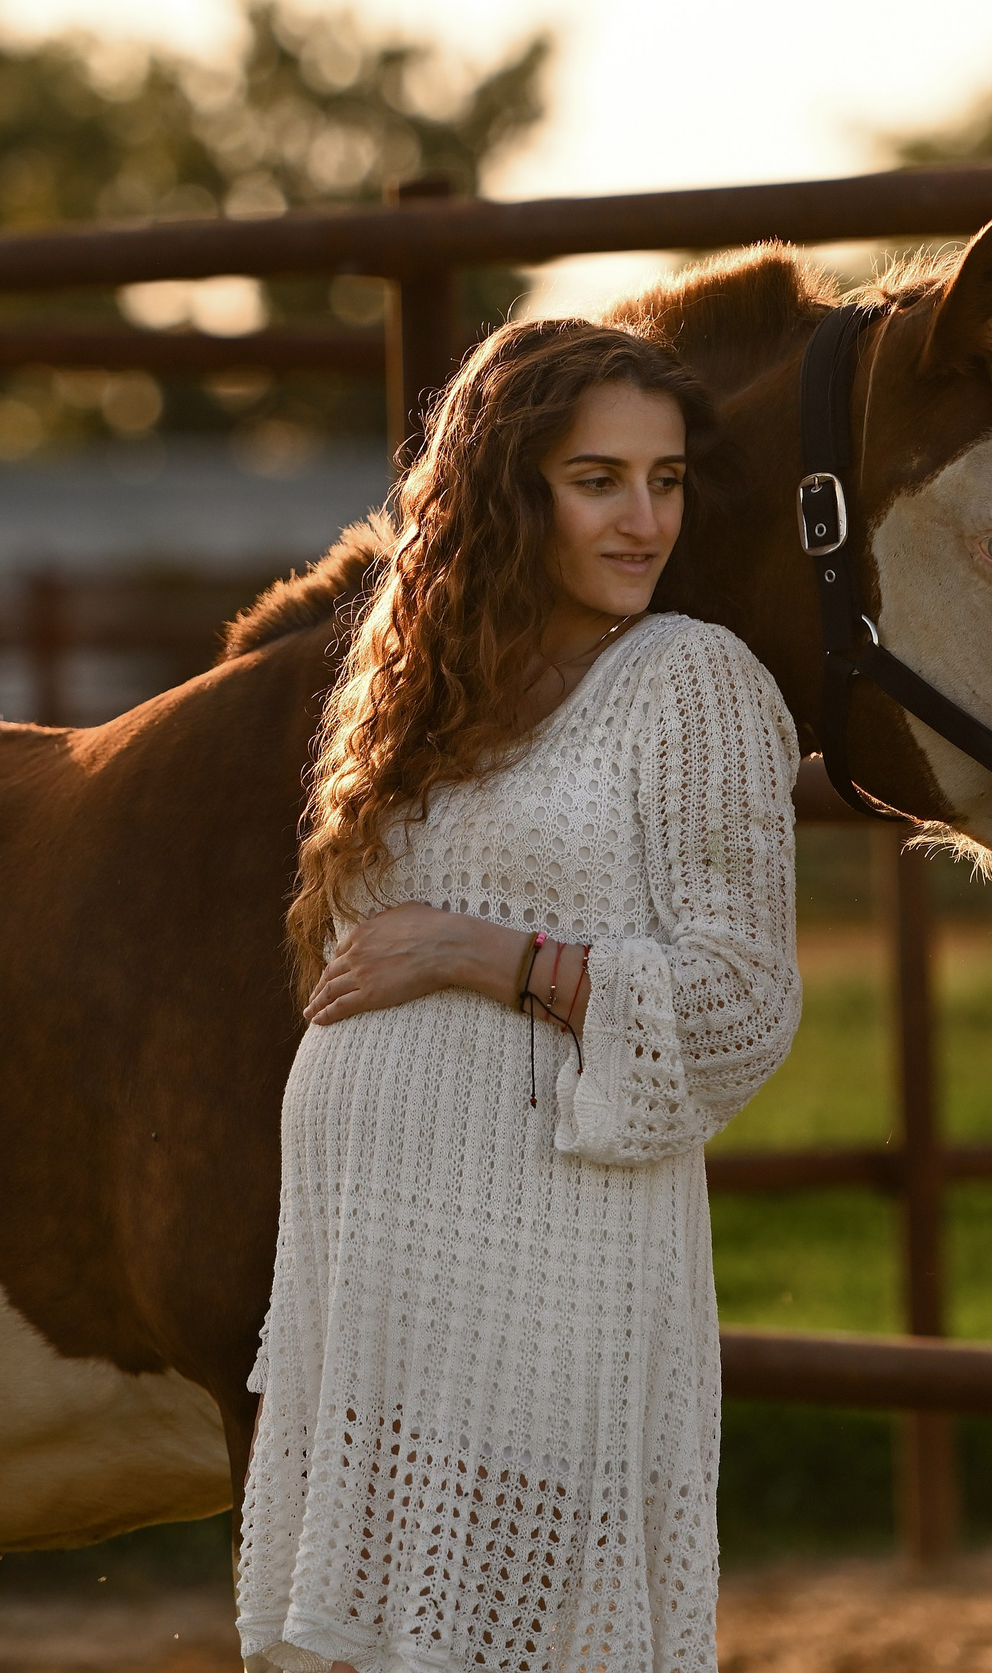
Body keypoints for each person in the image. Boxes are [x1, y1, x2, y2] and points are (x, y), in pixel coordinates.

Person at [234, 318, 803, 1673]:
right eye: (597, 478)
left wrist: (485, 956)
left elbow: (739, 1004)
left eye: (665, 480)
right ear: (510, 490)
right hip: (371, 1265)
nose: (643, 518)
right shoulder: (414, 685)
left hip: (545, 1267)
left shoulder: (691, 683)